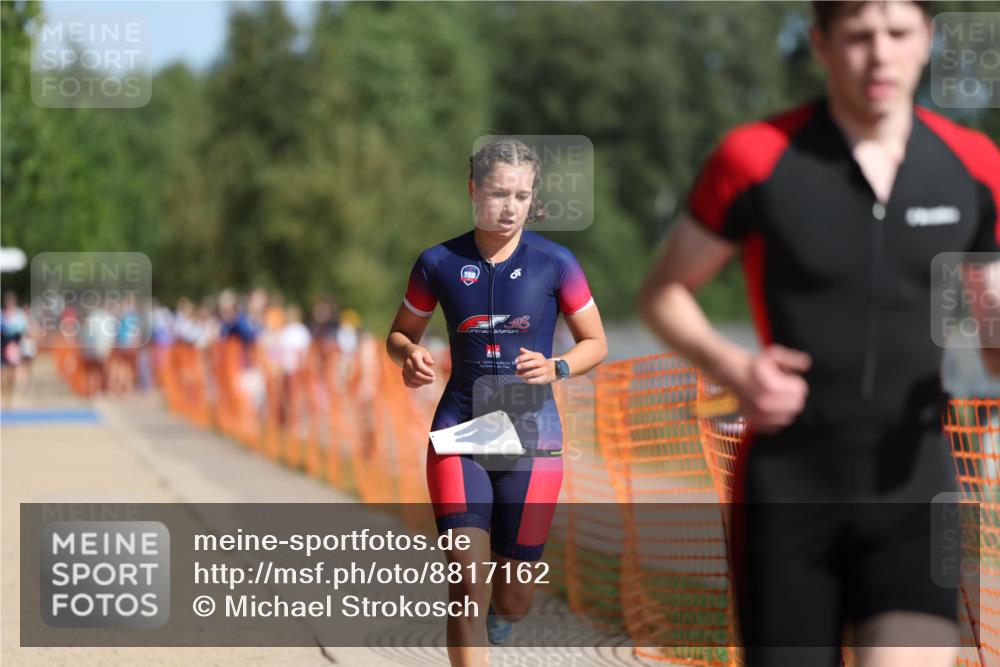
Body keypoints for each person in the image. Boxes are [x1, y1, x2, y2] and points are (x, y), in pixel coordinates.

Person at [638, 2, 1000, 666]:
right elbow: (664, 291)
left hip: (917, 487)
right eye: (859, 36)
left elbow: (991, 343)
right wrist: (735, 366)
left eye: (898, 34)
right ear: (822, 45)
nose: (880, 54)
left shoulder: (976, 168)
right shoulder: (755, 157)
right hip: (790, 487)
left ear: (929, 40)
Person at [387, 138, 607, 665]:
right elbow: (398, 335)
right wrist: (409, 355)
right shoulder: (438, 261)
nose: (510, 207)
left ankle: (501, 619)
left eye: (522, 195)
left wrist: (557, 367)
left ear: (533, 199)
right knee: (467, 584)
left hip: (534, 441)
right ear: (473, 190)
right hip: (460, 431)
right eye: (498, 193)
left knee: (512, 597)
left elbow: (595, 344)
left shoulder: (556, 263)